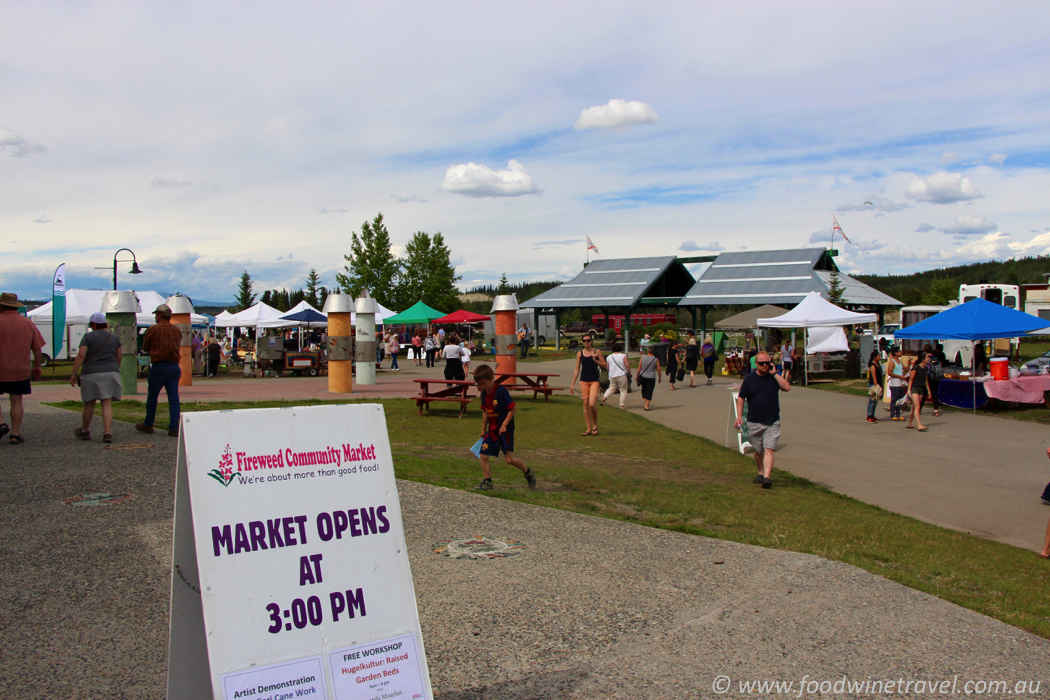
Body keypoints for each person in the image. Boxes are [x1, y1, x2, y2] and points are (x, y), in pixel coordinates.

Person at [472, 363, 536, 491]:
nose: (482, 387)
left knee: (509, 460)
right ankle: (488, 482)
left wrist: (505, 425)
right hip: (492, 430)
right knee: (483, 454)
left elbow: (512, 409)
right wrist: (483, 429)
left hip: (504, 431)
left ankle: (528, 472)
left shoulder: (501, 392)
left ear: (492, 378)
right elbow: (485, 411)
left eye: (484, 383)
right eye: (479, 384)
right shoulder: (484, 394)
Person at [735, 351, 791, 489]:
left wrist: (775, 373)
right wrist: (739, 416)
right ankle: (760, 472)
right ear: (756, 364)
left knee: (769, 449)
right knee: (758, 450)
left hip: (772, 421)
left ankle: (767, 477)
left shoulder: (774, 378)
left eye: (767, 363)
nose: (765, 365)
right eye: (762, 363)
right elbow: (741, 397)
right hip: (754, 421)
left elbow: (787, 387)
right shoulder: (749, 379)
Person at [0, 292, 45, 444]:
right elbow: (37, 348)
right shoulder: (28, 323)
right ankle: (14, 434)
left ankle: (0, 423)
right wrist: (37, 366)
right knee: (16, 400)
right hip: (20, 369)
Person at [70, 312, 122, 442]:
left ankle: (85, 430)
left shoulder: (88, 337)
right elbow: (119, 356)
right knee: (106, 403)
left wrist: (73, 373)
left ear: (93, 324)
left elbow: (81, 355)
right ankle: (107, 433)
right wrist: (116, 369)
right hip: (111, 371)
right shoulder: (114, 337)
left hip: (91, 372)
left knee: (89, 403)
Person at [136, 303, 183, 437]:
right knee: (173, 398)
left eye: (156, 314)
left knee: (152, 396)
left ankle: (148, 424)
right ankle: (174, 427)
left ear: (160, 315)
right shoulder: (176, 330)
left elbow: (145, 347)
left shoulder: (153, 329)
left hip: (159, 366)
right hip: (174, 366)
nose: (155, 317)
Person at [569, 335, 607, 435]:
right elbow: (577, 369)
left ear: (591, 341)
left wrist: (596, 360)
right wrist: (572, 384)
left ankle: (595, 425)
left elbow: (605, 365)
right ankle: (588, 429)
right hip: (584, 381)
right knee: (585, 404)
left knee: (592, 403)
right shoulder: (579, 354)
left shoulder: (596, 352)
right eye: (584, 341)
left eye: (588, 340)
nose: (586, 342)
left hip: (594, 380)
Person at [600, 343, 631, 409]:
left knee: (611, 388)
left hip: (612, 375)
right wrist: (629, 373)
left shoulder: (609, 357)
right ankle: (622, 405)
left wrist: (610, 373)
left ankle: (605, 397)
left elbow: (607, 367)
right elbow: (627, 366)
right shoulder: (623, 356)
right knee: (623, 390)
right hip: (621, 374)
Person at [906, 353, 931, 431]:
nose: (929, 359)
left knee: (914, 406)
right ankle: (919, 425)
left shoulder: (926, 369)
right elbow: (911, 379)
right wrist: (908, 390)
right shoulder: (916, 368)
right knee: (918, 407)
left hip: (921, 388)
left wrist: (929, 391)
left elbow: (926, 380)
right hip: (914, 388)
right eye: (927, 357)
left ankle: (910, 423)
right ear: (923, 359)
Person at [635, 345, 661, 411]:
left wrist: (637, 375)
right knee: (650, 391)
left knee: (644, 390)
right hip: (651, 377)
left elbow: (639, 367)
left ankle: (645, 404)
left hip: (643, 376)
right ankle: (647, 405)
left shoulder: (643, 358)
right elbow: (658, 369)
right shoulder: (655, 359)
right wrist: (659, 377)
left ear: (648, 351)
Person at [886, 347, 908, 421]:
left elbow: (905, 369)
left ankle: (898, 414)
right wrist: (899, 376)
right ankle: (893, 415)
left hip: (900, 384)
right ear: (895, 353)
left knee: (899, 400)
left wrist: (909, 363)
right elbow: (889, 372)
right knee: (894, 399)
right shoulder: (892, 362)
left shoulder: (900, 362)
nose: (901, 352)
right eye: (899, 351)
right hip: (894, 384)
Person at [866, 350, 883, 423]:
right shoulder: (873, 366)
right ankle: (869, 416)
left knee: (875, 401)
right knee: (872, 400)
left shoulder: (878, 364)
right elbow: (874, 377)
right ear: (874, 357)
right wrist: (876, 387)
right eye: (879, 356)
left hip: (879, 384)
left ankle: (873, 415)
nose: (880, 357)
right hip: (873, 384)